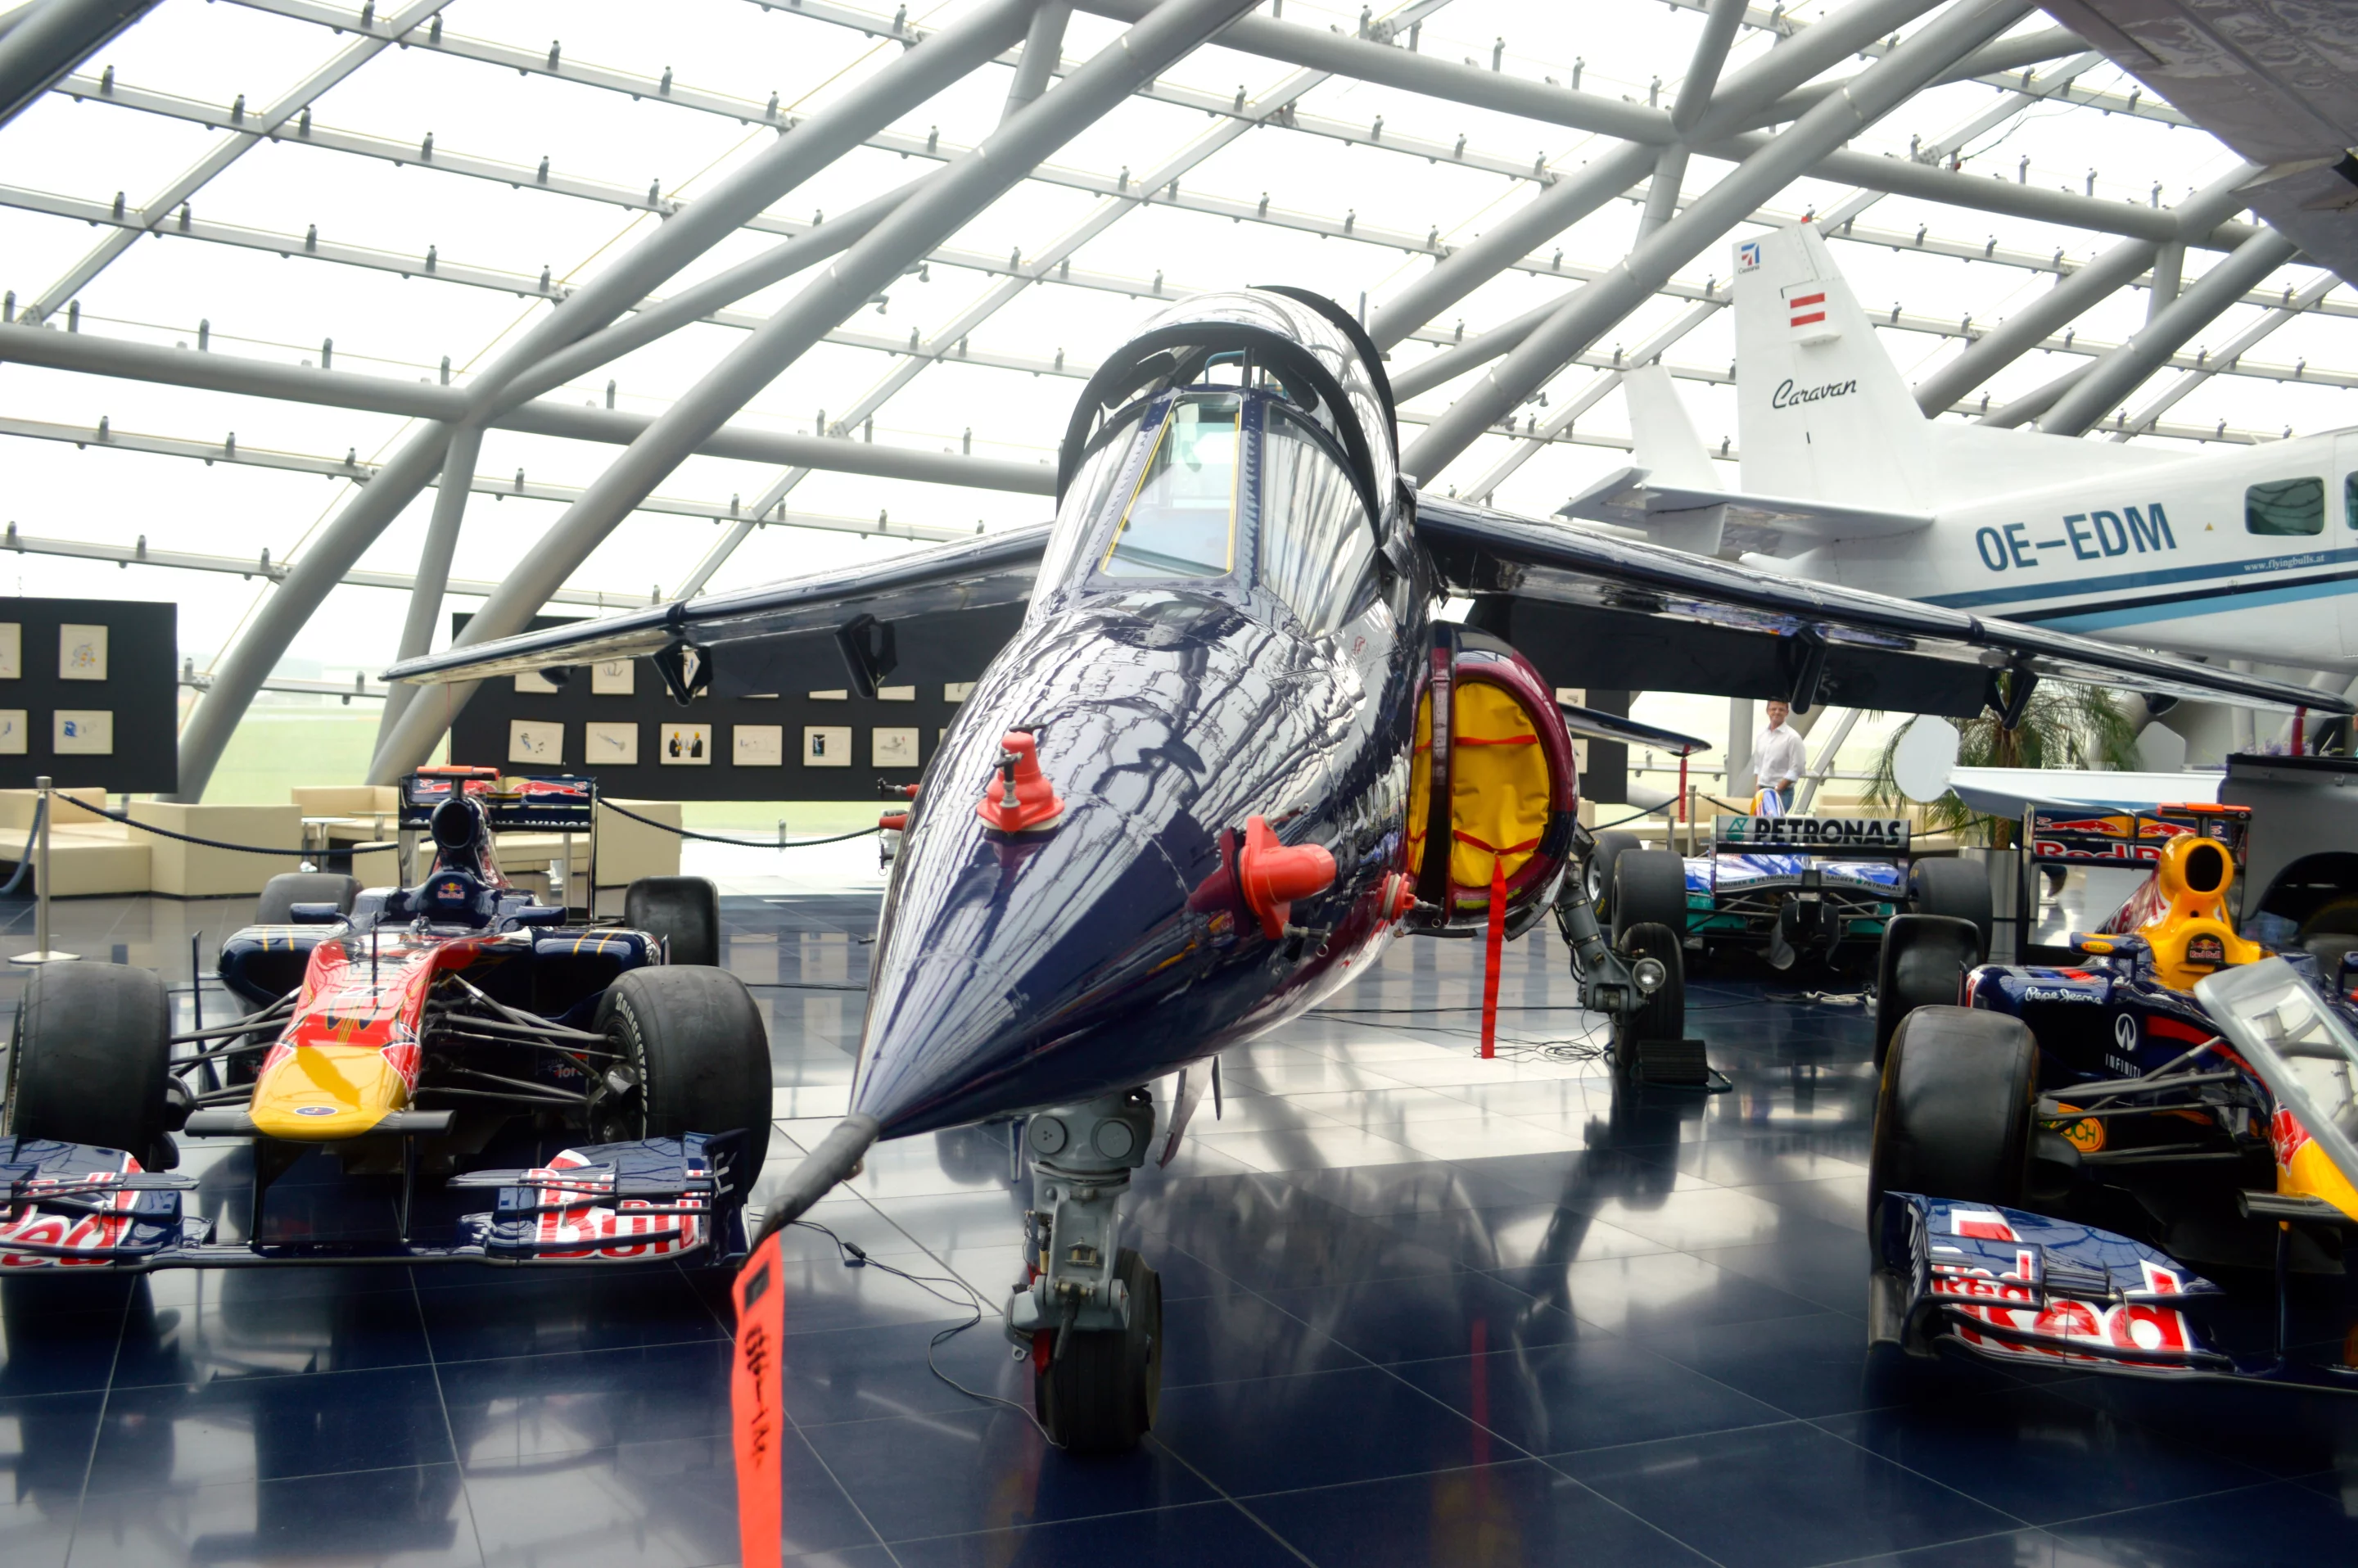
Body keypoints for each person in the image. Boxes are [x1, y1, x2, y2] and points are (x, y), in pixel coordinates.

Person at [1752, 698, 1806, 809]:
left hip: (1782, 793)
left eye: (1781, 709)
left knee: (1774, 825)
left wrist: (1778, 790)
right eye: (1773, 709)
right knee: (1762, 825)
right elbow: (1758, 765)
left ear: (1787, 712)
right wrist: (1758, 789)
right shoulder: (1761, 735)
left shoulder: (1793, 738)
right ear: (1767, 711)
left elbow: (1797, 768)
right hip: (1762, 791)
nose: (1777, 712)